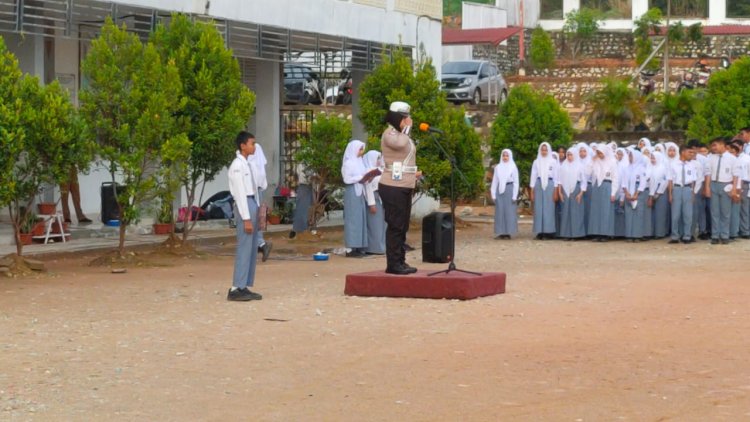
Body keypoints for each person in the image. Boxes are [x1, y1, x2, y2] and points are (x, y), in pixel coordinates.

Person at [379, 101, 420, 275]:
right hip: (392, 185)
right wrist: (408, 128)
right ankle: (393, 264)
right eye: (404, 118)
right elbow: (401, 144)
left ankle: (400, 261)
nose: (407, 120)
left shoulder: (402, 134)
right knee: (395, 225)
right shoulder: (390, 133)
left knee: (402, 226)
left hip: (404, 185)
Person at [227, 131, 263, 302]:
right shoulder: (237, 165)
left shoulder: (248, 164)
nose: (253, 146)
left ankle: (244, 285)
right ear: (242, 146)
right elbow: (240, 193)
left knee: (251, 248)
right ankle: (236, 287)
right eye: (251, 143)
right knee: (244, 246)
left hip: (251, 203)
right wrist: (247, 218)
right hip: (244, 205)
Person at [704, 137, 738, 244]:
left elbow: (736, 175)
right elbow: (708, 173)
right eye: (712, 145)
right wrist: (707, 187)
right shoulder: (711, 158)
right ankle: (715, 235)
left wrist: (734, 189)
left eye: (715, 145)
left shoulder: (732, 158)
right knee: (714, 212)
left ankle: (724, 235)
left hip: (726, 185)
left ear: (722, 145)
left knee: (725, 212)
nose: (713, 148)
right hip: (714, 184)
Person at [341, 140, 370, 258]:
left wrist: (368, 177)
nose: (362, 152)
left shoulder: (360, 161)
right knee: (353, 219)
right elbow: (347, 179)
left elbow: (363, 175)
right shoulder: (348, 163)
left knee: (360, 218)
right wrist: (361, 177)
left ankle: (359, 246)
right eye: (360, 149)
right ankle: (350, 249)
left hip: (360, 191)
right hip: (352, 191)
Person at [588, 146, 619, 241]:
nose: (600, 155)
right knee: (596, 210)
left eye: (601, 153)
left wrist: (613, 193)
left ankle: (605, 234)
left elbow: (615, 178)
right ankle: (597, 233)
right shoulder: (596, 161)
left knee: (606, 210)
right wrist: (592, 161)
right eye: (598, 153)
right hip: (597, 186)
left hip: (607, 185)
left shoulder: (612, 162)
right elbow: (587, 172)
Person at [668, 146, 697, 244]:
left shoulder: (691, 165)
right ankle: (675, 236)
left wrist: (692, 192)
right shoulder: (673, 164)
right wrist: (670, 194)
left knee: (688, 214)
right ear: (683, 152)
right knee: (675, 214)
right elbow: (670, 180)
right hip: (677, 188)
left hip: (688, 189)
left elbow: (693, 180)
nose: (691, 155)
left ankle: (687, 236)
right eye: (689, 152)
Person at [248, 143, 272, 261]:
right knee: (256, 219)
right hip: (256, 190)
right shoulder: (256, 161)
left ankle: (261, 245)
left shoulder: (251, 162)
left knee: (252, 219)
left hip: (252, 192)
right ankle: (260, 245)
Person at [530, 142, 557, 240]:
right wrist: (532, 190)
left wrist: (555, 191)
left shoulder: (553, 162)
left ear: (548, 150)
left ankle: (548, 232)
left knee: (548, 208)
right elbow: (533, 176)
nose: (544, 151)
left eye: (546, 150)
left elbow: (556, 177)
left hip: (549, 185)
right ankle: (539, 231)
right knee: (539, 208)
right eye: (542, 149)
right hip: (538, 184)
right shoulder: (536, 162)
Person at [557, 148, 587, 240]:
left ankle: (576, 234)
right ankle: (566, 234)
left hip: (576, 190)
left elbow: (584, 181)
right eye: (568, 155)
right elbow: (559, 181)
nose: (569, 157)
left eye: (571, 155)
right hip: (565, 191)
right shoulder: (563, 166)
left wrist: (581, 193)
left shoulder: (580, 166)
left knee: (576, 212)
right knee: (566, 212)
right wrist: (560, 193)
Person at [490, 149, 519, 239]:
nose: (505, 157)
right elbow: (495, 181)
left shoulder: (513, 167)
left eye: (507, 156)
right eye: (503, 155)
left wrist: (514, 195)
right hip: (500, 190)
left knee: (509, 211)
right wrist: (493, 194)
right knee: (500, 212)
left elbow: (516, 182)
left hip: (509, 189)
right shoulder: (498, 167)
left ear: (510, 156)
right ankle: (501, 232)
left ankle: (508, 233)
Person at [363, 150, 386, 254]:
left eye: (379, 158)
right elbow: (368, 189)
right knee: (375, 225)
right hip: (374, 198)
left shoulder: (380, 170)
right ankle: (374, 248)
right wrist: (371, 204)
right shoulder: (368, 171)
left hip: (382, 198)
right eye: (377, 158)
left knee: (382, 224)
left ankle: (382, 247)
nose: (378, 160)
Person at [624, 148, 647, 242]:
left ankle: (637, 235)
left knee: (638, 215)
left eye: (631, 155)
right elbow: (623, 182)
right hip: (628, 193)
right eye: (629, 155)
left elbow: (643, 182)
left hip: (638, 193)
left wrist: (637, 193)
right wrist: (627, 193)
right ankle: (629, 235)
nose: (629, 157)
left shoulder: (642, 169)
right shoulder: (627, 168)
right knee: (629, 215)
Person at [649, 152, 671, 238]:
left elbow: (665, 180)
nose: (652, 160)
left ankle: (660, 233)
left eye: (654, 158)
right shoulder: (650, 167)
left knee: (660, 213)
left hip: (661, 192)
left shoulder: (663, 168)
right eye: (651, 158)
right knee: (652, 213)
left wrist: (658, 192)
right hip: (651, 192)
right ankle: (652, 232)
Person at [290, 162, 313, 239]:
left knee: (305, 209)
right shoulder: (304, 162)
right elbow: (305, 175)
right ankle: (300, 230)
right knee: (303, 209)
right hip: (304, 186)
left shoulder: (305, 162)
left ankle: (300, 229)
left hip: (307, 187)